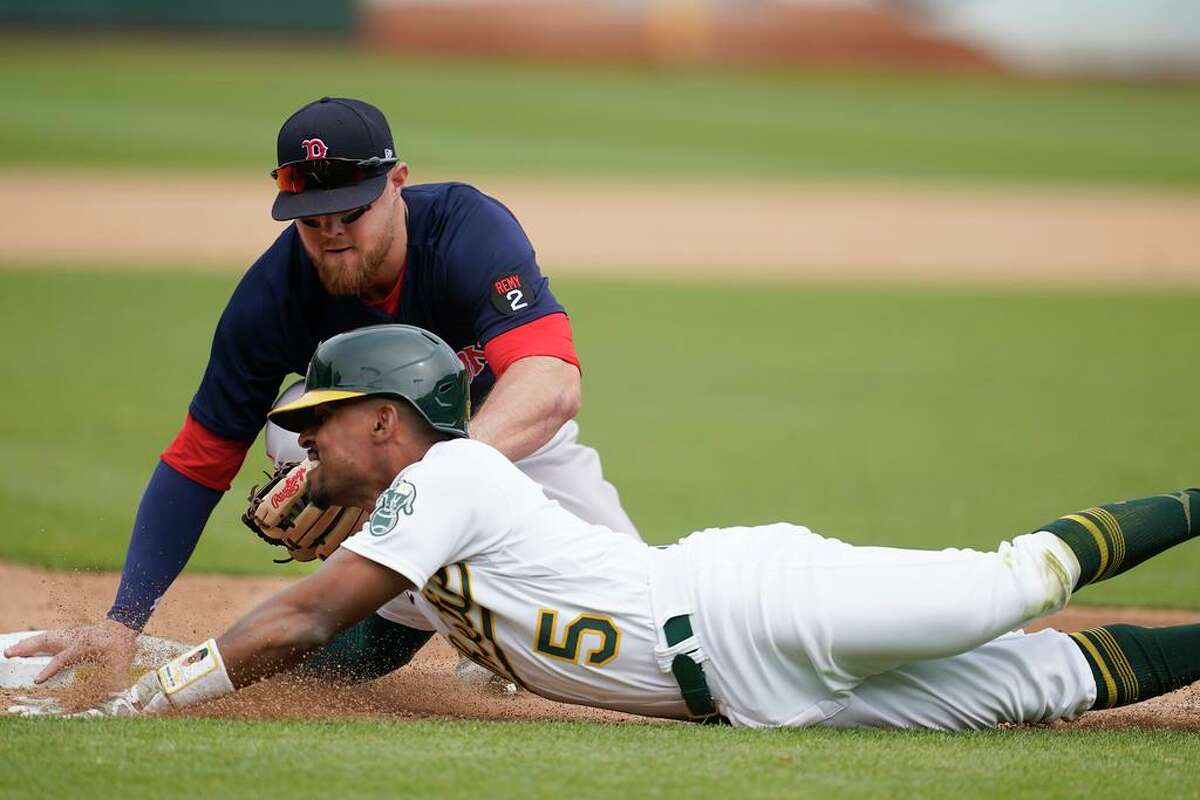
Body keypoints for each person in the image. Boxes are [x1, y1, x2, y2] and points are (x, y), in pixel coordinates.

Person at [11, 324, 1199, 728]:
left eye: (319, 424)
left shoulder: (456, 475)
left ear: (386, 420)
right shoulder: (413, 533)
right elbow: (325, 644)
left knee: (1005, 586)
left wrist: (146, 701)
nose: (303, 449)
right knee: (1035, 686)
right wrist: (133, 648)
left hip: (751, 602)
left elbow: (303, 617)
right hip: (748, 697)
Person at [4, 97, 638, 686]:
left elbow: (551, 384)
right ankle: (423, 610)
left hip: (510, 440)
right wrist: (123, 621)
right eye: (311, 219)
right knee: (300, 421)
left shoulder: (467, 230)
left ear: (397, 183)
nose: (332, 231)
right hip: (387, 470)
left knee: (633, 607)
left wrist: (447, 476)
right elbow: (199, 459)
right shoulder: (270, 298)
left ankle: (477, 621)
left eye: (351, 211)